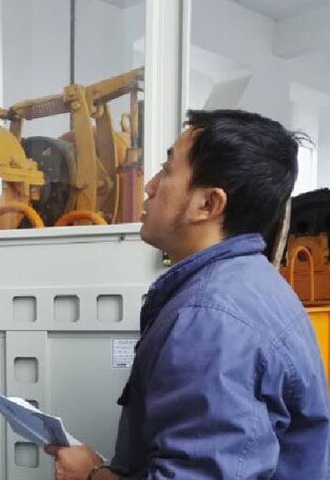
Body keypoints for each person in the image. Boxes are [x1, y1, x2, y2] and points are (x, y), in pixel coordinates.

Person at [46, 110, 330, 479]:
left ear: (208, 204)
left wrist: (91, 474)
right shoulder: (251, 281)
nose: (149, 186)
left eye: (166, 170)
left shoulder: (211, 320)